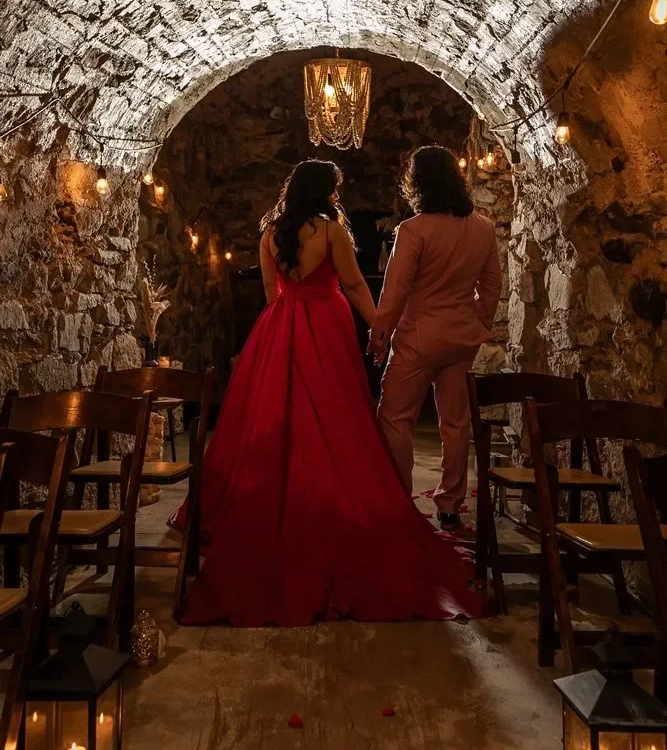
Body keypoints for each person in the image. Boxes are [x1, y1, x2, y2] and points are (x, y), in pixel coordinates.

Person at [170, 159, 487, 627]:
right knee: (336, 414)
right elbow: (355, 283)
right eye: (336, 190)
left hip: (280, 325)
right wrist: (380, 325)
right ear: (324, 192)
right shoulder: (331, 229)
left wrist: (285, 324)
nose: (338, 198)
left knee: (275, 413)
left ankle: (276, 494)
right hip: (325, 323)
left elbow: (269, 292)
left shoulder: (269, 233)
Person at [368, 146, 502, 533]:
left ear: (417, 183)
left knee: (395, 417)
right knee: (455, 423)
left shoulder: (413, 230)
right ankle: (449, 505)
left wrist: (380, 337)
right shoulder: (482, 226)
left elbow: (394, 292)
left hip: (418, 339)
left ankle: (398, 500)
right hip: (461, 339)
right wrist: (478, 323)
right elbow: (491, 286)